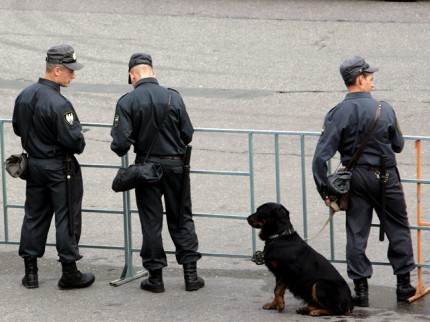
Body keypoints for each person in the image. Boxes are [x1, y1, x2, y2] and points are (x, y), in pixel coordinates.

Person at [312, 56, 416, 306]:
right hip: (386, 176)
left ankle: (361, 291)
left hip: (355, 178)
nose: (373, 81)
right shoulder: (385, 108)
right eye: (370, 77)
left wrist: (325, 189)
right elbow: (399, 145)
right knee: (397, 228)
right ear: (360, 79)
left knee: (356, 233)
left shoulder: (337, 113)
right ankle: (403, 285)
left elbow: (320, 158)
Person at [110, 52, 204, 293]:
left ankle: (156, 278)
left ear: (132, 76)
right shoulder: (174, 97)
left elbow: (121, 144)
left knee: (151, 223)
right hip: (176, 166)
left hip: (147, 169)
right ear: (153, 72)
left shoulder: (127, 102)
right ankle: (191, 276)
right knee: (181, 218)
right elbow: (187, 134)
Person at [12, 44, 95, 290]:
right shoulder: (60, 103)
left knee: (34, 216)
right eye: (70, 70)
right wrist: (78, 138)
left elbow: (18, 128)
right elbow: (74, 142)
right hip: (60, 167)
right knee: (67, 217)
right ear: (57, 71)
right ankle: (69, 273)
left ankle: (31, 273)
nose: (73, 75)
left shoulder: (25, 94)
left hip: (34, 164)